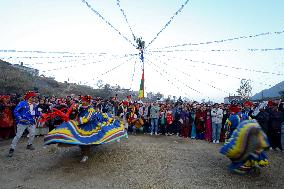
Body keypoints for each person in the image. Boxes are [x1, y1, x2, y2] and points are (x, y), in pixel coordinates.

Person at [8, 91, 40, 157]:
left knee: (32, 133)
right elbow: (16, 111)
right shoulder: (22, 103)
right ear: (29, 97)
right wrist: (20, 118)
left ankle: (29, 144)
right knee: (18, 136)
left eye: (34, 97)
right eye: (33, 97)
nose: (34, 98)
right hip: (22, 122)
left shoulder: (34, 105)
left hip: (31, 122)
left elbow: (35, 113)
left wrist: (40, 114)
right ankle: (12, 149)